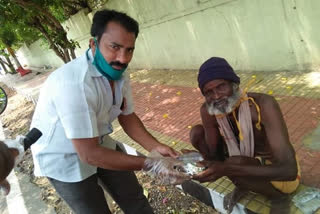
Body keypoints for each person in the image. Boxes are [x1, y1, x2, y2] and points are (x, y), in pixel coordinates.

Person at [30, 9, 188, 214]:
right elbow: (89, 154)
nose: (122, 58)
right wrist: (152, 165)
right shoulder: (73, 84)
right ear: (93, 44)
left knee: (134, 199)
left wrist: (156, 147)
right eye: (114, 47)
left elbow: (127, 116)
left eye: (129, 50)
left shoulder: (119, 73)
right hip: (63, 157)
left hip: (99, 142)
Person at [190, 57, 300, 214]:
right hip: (244, 161)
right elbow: (214, 155)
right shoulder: (209, 110)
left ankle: (278, 198)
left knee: (235, 163)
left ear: (234, 84)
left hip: (279, 174)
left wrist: (227, 168)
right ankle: (243, 183)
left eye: (221, 87)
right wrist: (193, 161)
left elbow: (289, 171)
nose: (216, 96)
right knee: (196, 134)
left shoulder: (263, 104)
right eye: (208, 92)